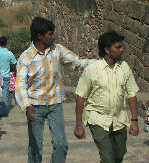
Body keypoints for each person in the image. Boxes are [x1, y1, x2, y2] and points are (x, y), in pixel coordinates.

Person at [15, 17, 95, 163]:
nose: (54, 36)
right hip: (35, 107)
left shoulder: (57, 50)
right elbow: (20, 84)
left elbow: (77, 62)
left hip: (55, 105)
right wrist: (26, 106)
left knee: (61, 144)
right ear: (40, 36)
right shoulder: (25, 58)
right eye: (51, 34)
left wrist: (100, 62)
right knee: (35, 148)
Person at [74, 31, 139, 163]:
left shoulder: (124, 67)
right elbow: (81, 97)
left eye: (122, 47)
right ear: (107, 50)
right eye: (118, 47)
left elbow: (131, 93)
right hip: (98, 119)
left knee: (119, 155)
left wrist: (134, 120)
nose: (122, 50)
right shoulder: (92, 69)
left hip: (119, 119)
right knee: (108, 158)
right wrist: (79, 125)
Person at [0, 36, 17, 117]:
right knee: (5, 94)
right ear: (6, 43)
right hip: (6, 76)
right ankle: (3, 112)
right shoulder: (9, 53)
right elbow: (14, 64)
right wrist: (14, 72)